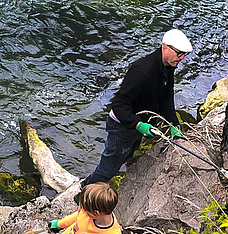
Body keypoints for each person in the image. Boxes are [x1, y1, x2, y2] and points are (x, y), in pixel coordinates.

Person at [80, 28, 193, 188]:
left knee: (127, 155)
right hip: (122, 125)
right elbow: (119, 104)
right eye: (179, 54)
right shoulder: (142, 71)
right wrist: (137, 124)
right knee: (109, 168)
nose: (181, 58)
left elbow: (166, 98)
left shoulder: (168, 67)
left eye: (184, 55)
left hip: (138, 124)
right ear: (165, 47)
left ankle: (88, 183)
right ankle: (84, 194)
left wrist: (173, 125)